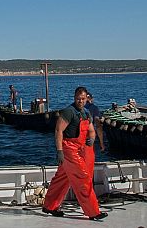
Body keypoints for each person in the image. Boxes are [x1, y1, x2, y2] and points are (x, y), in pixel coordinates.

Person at [41, 86, 107, 220]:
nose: (80, 101)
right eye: (78, 99)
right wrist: (59, 151)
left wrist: (92, 138)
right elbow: (58, 131)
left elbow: (91, 130)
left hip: (80, 148)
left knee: (62, 178)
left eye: (83, 99)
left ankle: (49, 206)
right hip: (68, 149)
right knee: (83, 178)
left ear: (87, 98)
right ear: (74, 98)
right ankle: (93, 212)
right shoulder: (68, 112)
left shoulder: (87, 113)